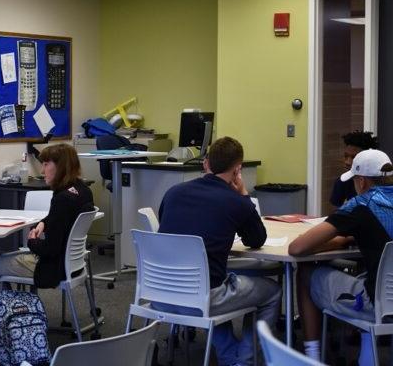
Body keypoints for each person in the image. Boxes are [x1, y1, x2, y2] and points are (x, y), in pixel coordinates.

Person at [157, 136, 281, 366]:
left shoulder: (173, 192)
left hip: (159, 293)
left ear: (206, 164)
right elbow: (257, 239)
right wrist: (244, 194)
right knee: (271, 291)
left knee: (215, 279)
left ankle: (228, 355)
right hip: (202, 297)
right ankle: (244, 360)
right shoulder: (236, 202)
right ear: (237, 170)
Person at [289, 149, 393, 364]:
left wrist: (342, 238)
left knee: (307, 272)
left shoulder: (361, 205)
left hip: (379, 304)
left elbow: (297, 249)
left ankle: (312, 357)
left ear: (362, 182)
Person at [0, 143, 94, 300]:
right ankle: (14, 311)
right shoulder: (83, 190)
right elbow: (60, 220)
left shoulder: (62, 199)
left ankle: (12, 317)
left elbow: (49, 249)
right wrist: (44, 223)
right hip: (72, 263)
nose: (42, 171)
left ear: (61, 166)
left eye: (46, 164)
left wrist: (31, 241)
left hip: (51, 267)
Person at [330, 130, 379, 207]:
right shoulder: (342, 181)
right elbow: (336, 213)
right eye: (346, 156)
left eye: (354, 157)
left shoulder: (381, 181)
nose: (347, 162)